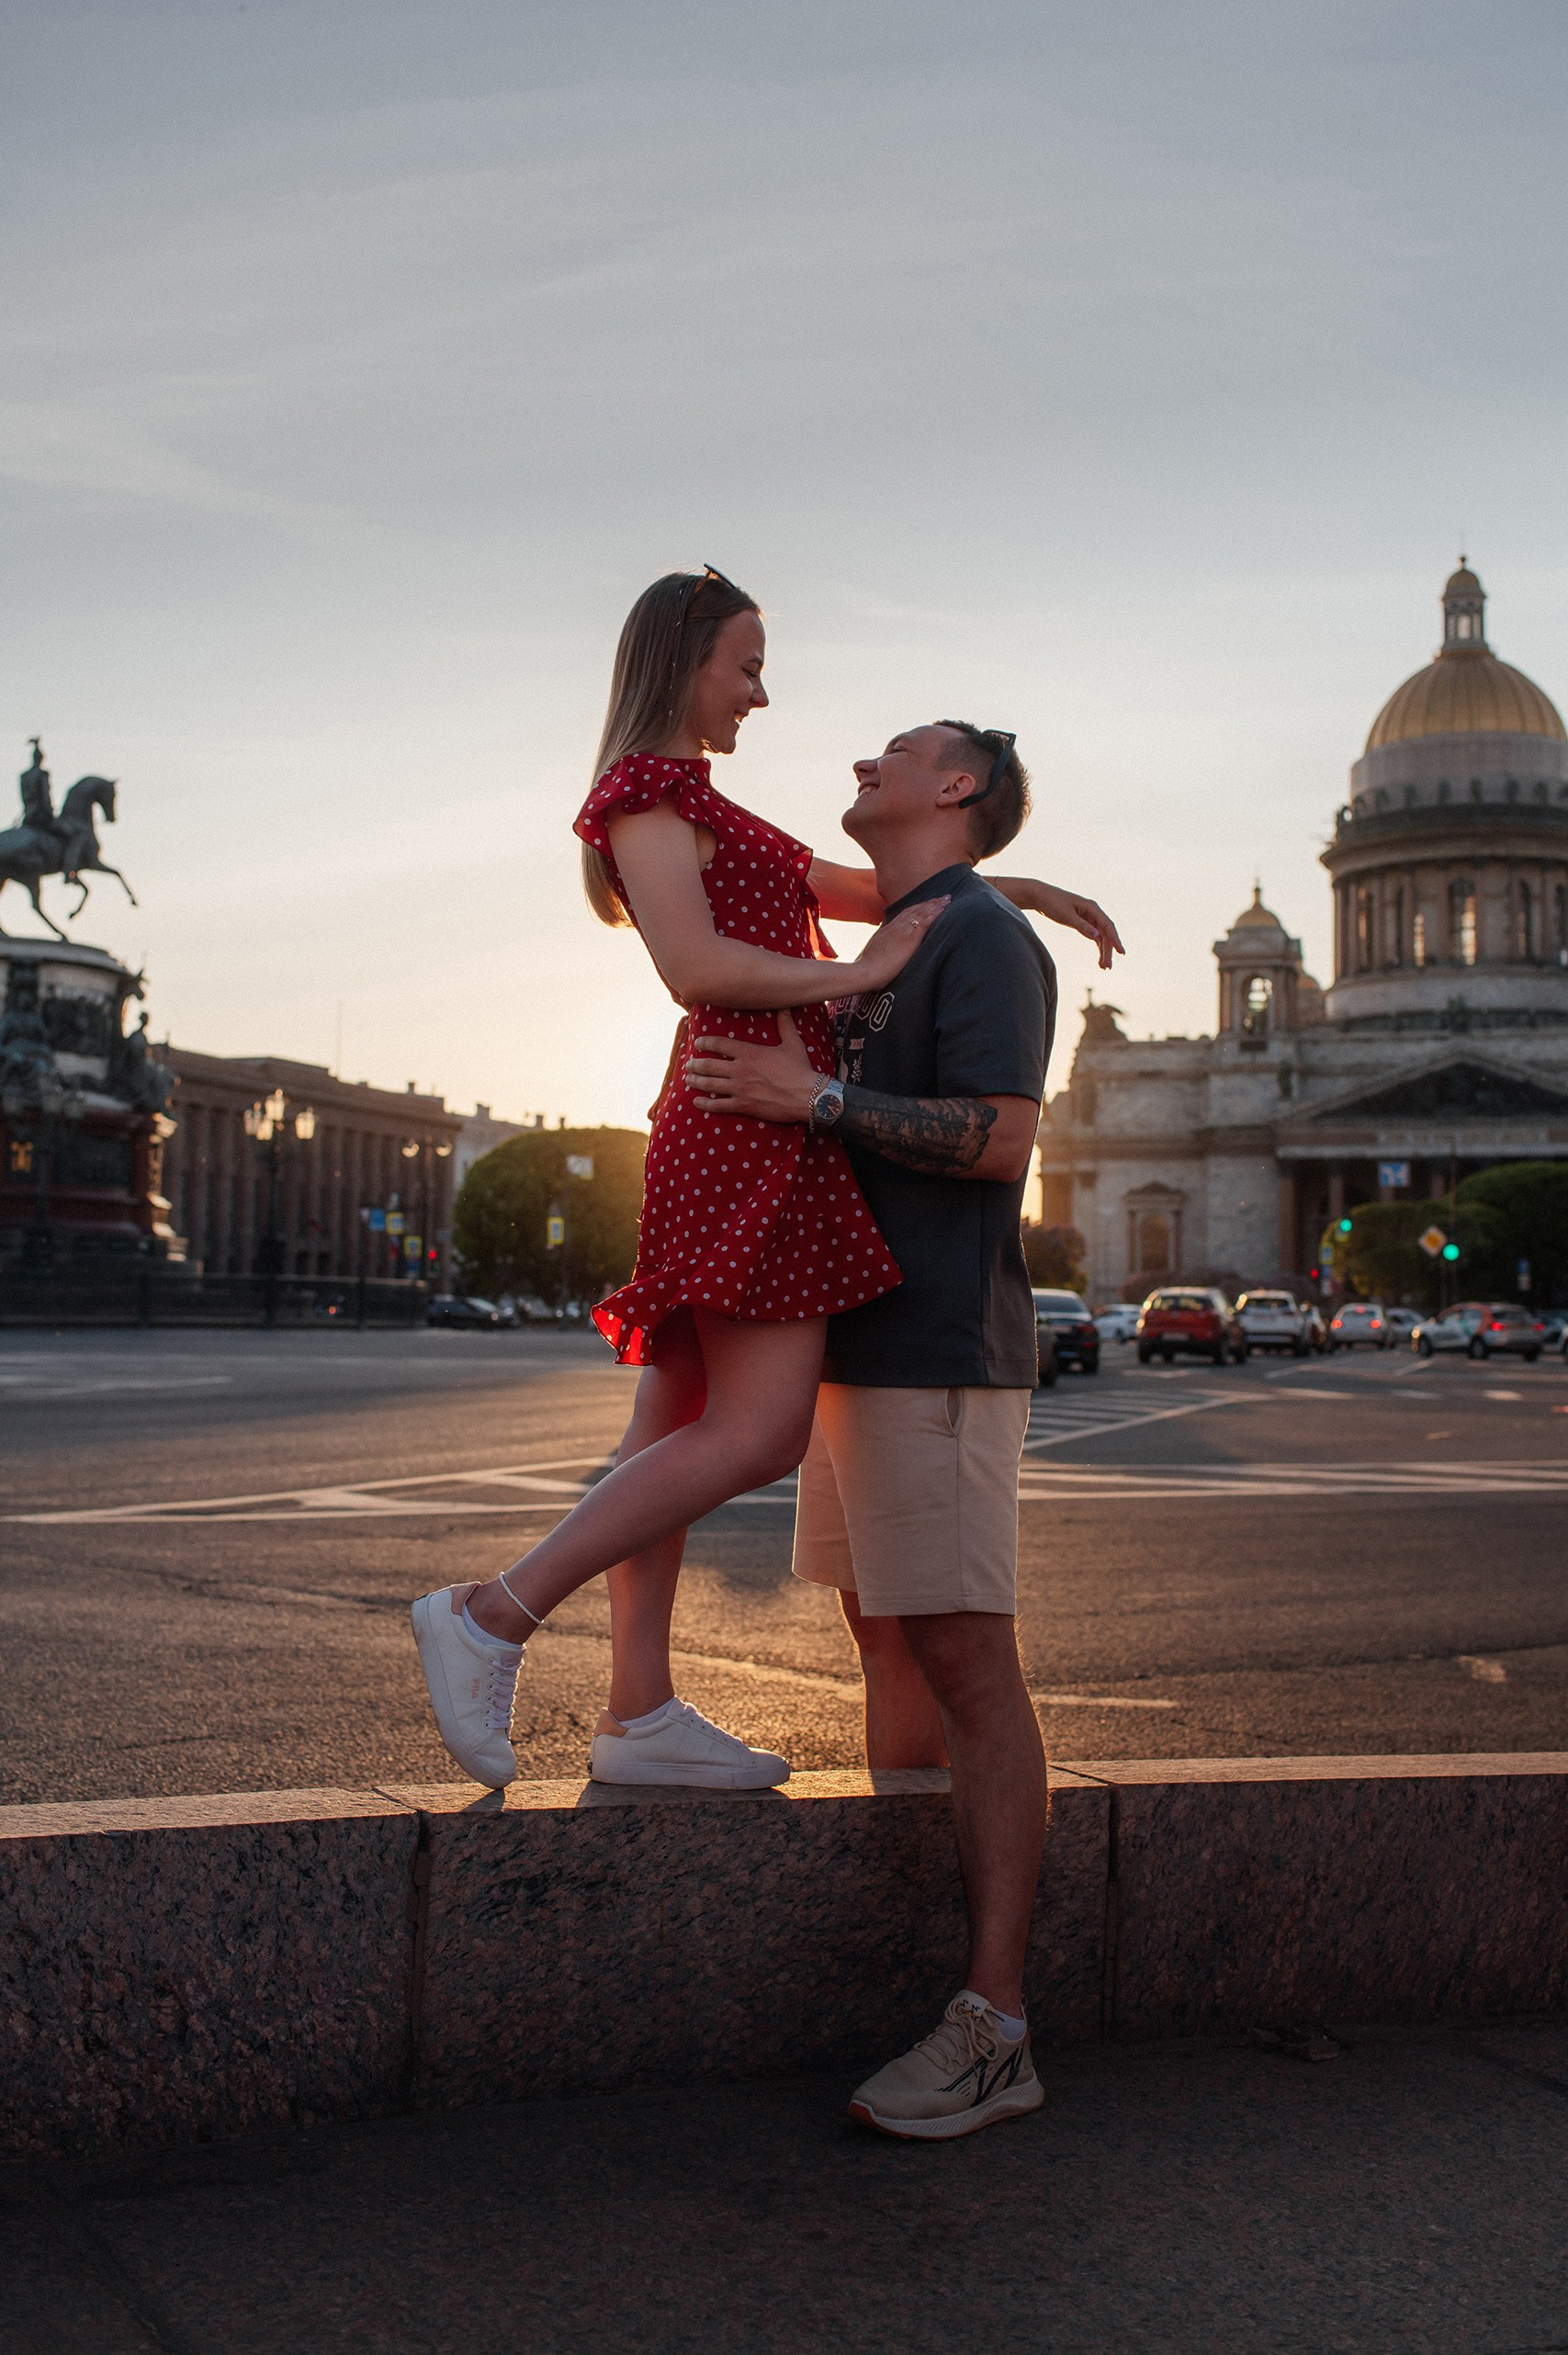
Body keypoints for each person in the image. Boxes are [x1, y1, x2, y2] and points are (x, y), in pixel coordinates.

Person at [412, 569, 1119, 1801]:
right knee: (759, 1428)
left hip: (750, 1115)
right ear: (684, 660)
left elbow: (891, 902)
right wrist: (853, 982)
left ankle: (636, 1711)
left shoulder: (707, 805)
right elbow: (695, 965)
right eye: (745, 665)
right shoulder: (644, 790)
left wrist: (1020, 888)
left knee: (672, 1424)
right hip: (744, 1117)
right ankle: (492, 1614)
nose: (762, 690)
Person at [683, 717, 1075, 2139]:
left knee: (968, 1651)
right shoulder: (912, 928)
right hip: (856, 1343)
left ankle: (995, 2021)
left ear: (956, 789)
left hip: (939, 1348)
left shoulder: (978, 943)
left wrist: (820, 1096)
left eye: (900, 750)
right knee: (883, 1630)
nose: (866, 758)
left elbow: (1003, 1138)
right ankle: (922, 1947)